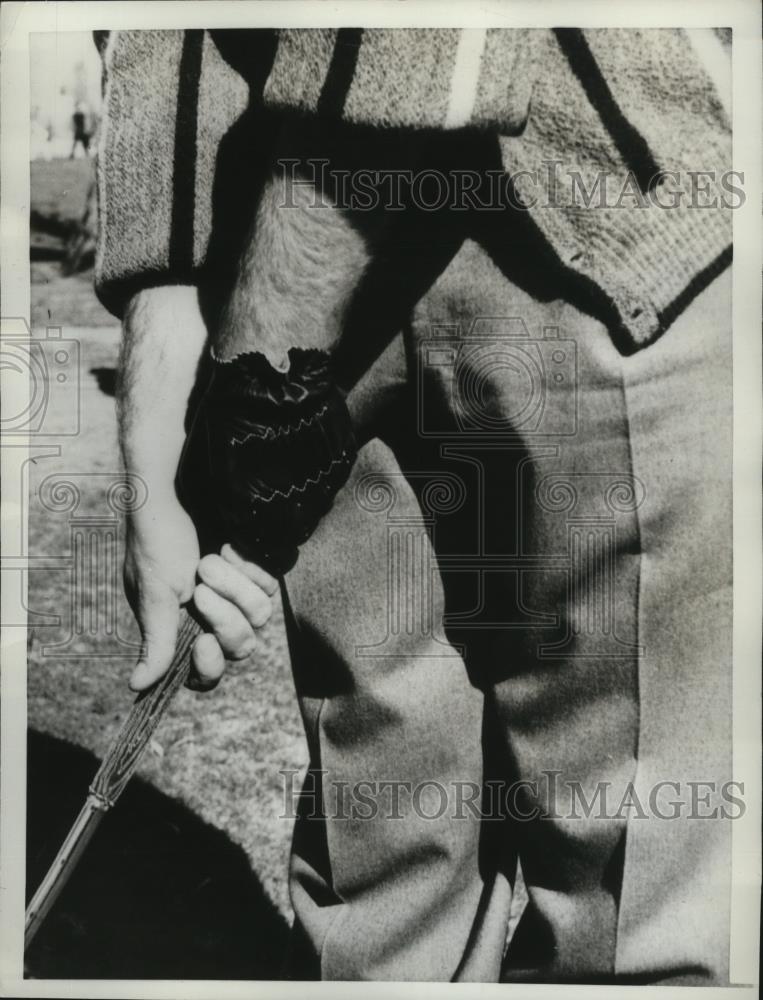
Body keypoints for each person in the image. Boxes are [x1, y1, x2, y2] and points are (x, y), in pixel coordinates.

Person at [94, 27, 734, 982]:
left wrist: (261, 378)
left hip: (573, 229)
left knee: (632, 914)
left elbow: (419, 36)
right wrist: (166, 353)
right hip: (290, 288)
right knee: (378, 890)